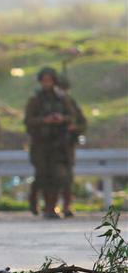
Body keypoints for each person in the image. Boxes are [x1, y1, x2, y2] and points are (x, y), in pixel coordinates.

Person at [24, 67, 76, 219]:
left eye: (50, 80)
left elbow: (72, 117)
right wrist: (44, 121)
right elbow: (28, 121)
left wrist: (61, 119)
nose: (47, 83)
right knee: (43, 176)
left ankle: (51, 207)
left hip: (59, 144)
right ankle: (42, 204)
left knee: (58, 176)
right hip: (41, 144)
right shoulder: (35, 100)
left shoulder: (63, 99)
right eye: (44, 80)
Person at [57, 75, 87, 217]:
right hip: (49, 147)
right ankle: (51, 206)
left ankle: (67, 206)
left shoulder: (71, 104)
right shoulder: (46, 102)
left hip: (67, 146)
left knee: (67, 177)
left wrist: (74, 128)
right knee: (51, 177)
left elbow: (82, 123)